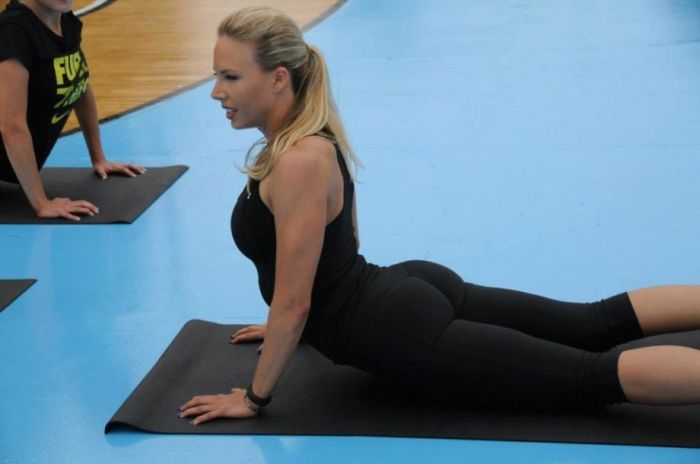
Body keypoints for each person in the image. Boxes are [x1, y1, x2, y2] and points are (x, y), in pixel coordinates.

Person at [180, 7, 700, 424]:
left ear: (278, 78)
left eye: (230, 76)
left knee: (590, 377)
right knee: (590, 322)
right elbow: (340, 247)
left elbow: (296, 302)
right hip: (406, 289)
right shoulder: (311, 139)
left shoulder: (294, 162)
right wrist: (286, 324)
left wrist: (255, 397)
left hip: (401, 332)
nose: (216, 91)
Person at [0, 0, 145, 222]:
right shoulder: (12, 32)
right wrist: (41, 203)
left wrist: (99, 158)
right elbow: (11, 125)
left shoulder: (65, 20)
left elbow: (80, 85)